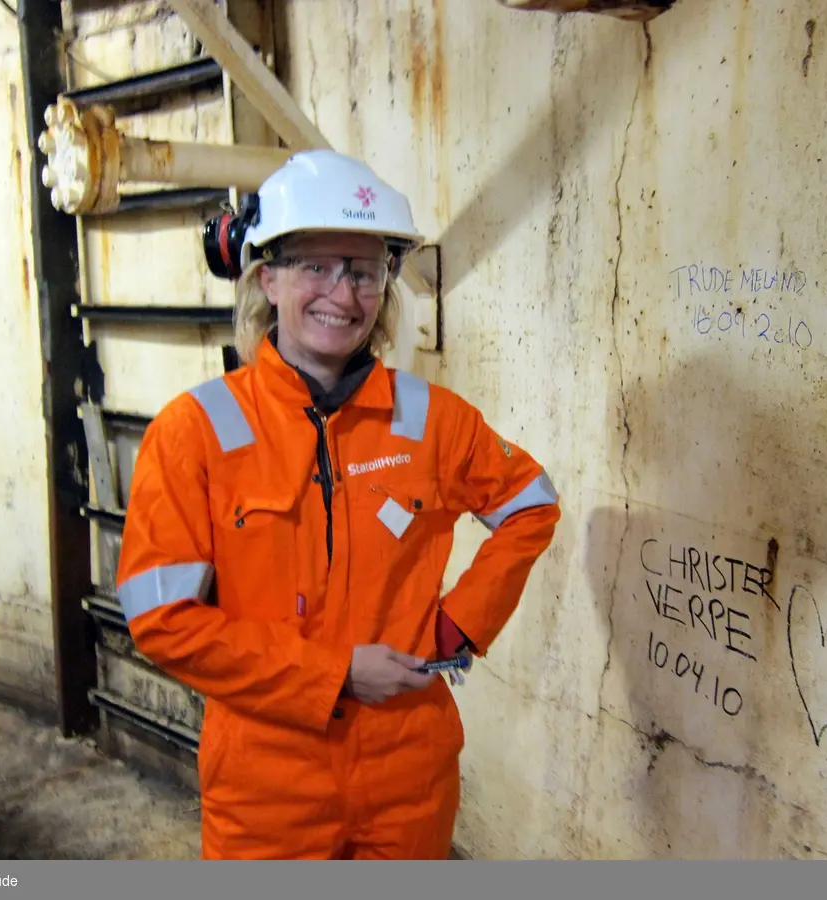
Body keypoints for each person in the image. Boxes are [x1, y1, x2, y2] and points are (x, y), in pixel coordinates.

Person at [115, 149, 561, 860]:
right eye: (315, 267)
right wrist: (336, 675)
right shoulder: (194, 431)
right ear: (269, 277)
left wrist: (459, 626)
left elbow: (531, 504)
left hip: (409, 773)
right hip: (266, 784)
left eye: (362, 271)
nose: (342, 295)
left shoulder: (433, 421)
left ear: (386, 285)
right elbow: (161, 620)